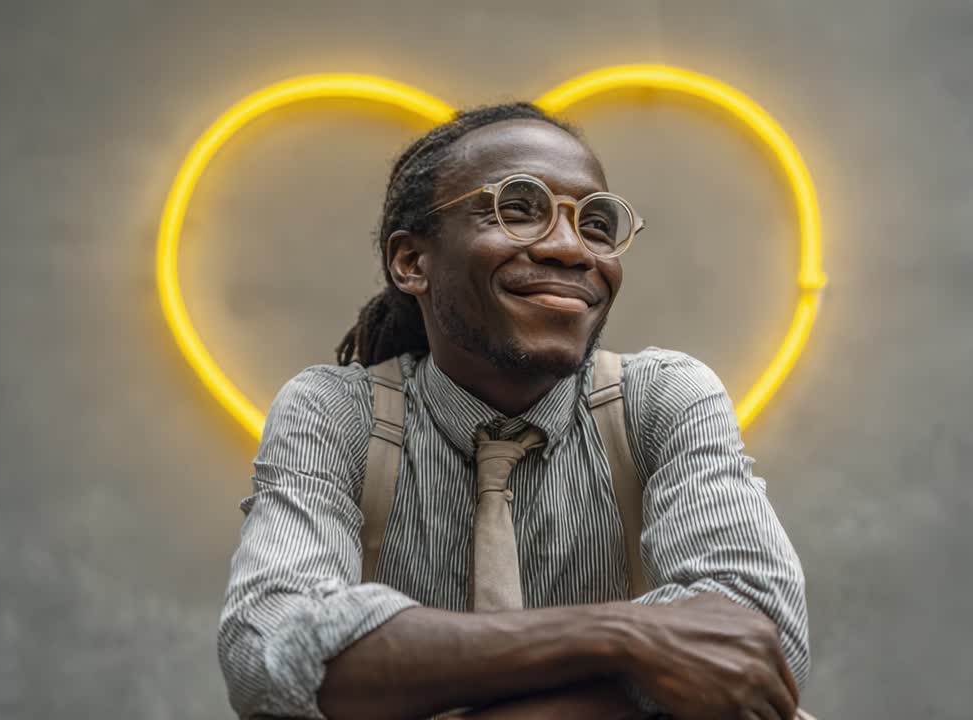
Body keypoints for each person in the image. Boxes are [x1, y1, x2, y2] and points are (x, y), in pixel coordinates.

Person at [217, 102, 810, 720]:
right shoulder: (334, 413)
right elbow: (271, 651)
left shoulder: (663, 399)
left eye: (596, 225)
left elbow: (758, 643)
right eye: (518, 208)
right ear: (412, 262)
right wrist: (624, 637)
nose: (570, 249)